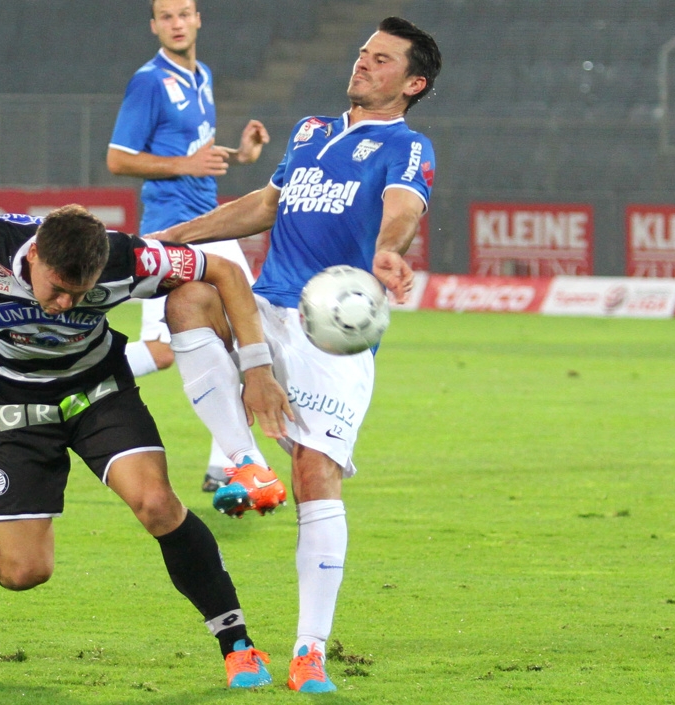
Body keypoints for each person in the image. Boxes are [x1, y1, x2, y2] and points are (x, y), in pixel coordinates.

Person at [0, 205, 292, 688]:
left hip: (98, 392)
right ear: (33, 254)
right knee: (24, 570)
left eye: (78, 294)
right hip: (14, 403)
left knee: (158, 504)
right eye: (56, 288)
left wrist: (256, 367)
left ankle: (237, 645)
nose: (62, 303)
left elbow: (220, 270)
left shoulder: (126, 258)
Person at [156, 17, 442, 693]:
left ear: (413, 82)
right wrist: (174, 236)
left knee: (317, 475)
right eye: (363, 53)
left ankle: (309, 650)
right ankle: (247, 462)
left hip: (332, 331)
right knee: (190, 296)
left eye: (381, 60)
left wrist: (388, 248)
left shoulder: (407, 145)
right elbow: (266, 205)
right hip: (267, 305)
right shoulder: (312, 130)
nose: (363, 64)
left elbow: (403, 208)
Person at [107, 0, 274, 493]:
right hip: (172, 227)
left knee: (242, 337)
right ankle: (64, 380)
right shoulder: (149, 82)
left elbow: (193, 154)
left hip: (213, 225)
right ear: (154, 26)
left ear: (198, 19)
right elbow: (119, 159)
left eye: (185, 14)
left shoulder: (202, 76)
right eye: (167, 16)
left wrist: (241, 155)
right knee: (164, 350)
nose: (178, 23)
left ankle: (230, 463)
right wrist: (185, 167)